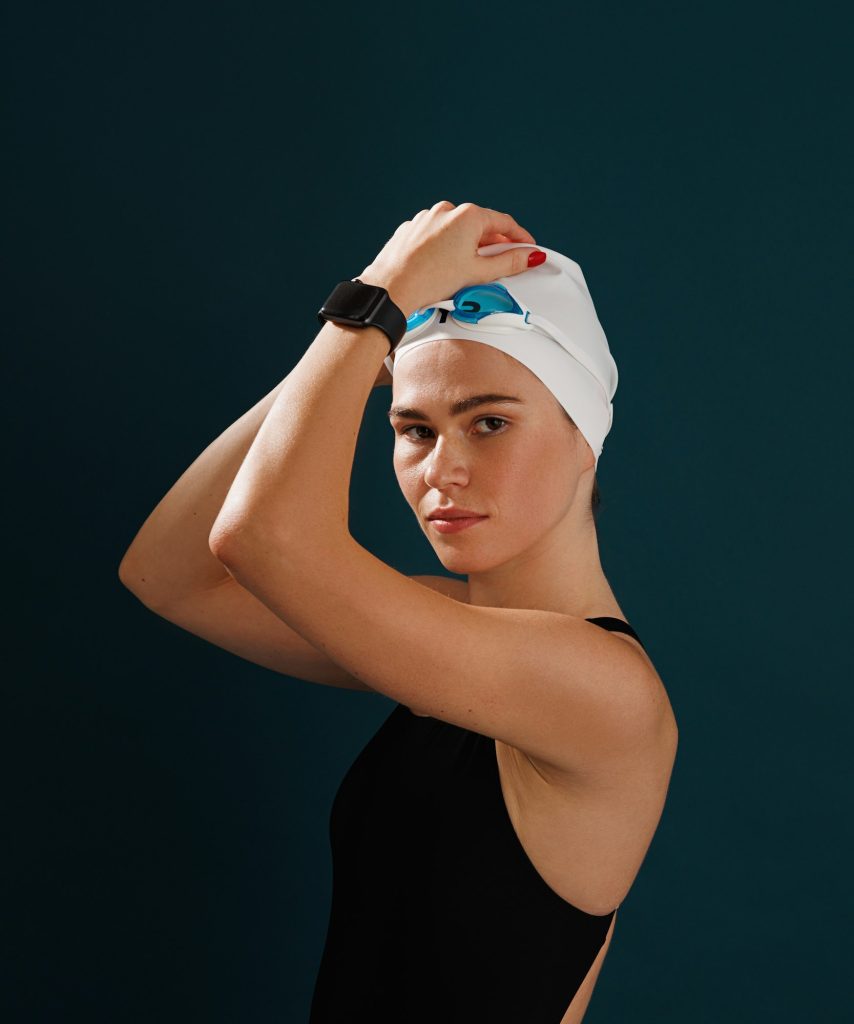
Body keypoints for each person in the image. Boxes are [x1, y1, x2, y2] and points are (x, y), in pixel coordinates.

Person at [118, 201, 678, 1023]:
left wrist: (379, 299)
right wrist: (360, 349)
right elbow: (170, 574)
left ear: (585, 433)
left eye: (489, 422)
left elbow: (258, 537)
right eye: (414, 428)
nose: (442, 470)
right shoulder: (449, 629)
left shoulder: (600, 692)